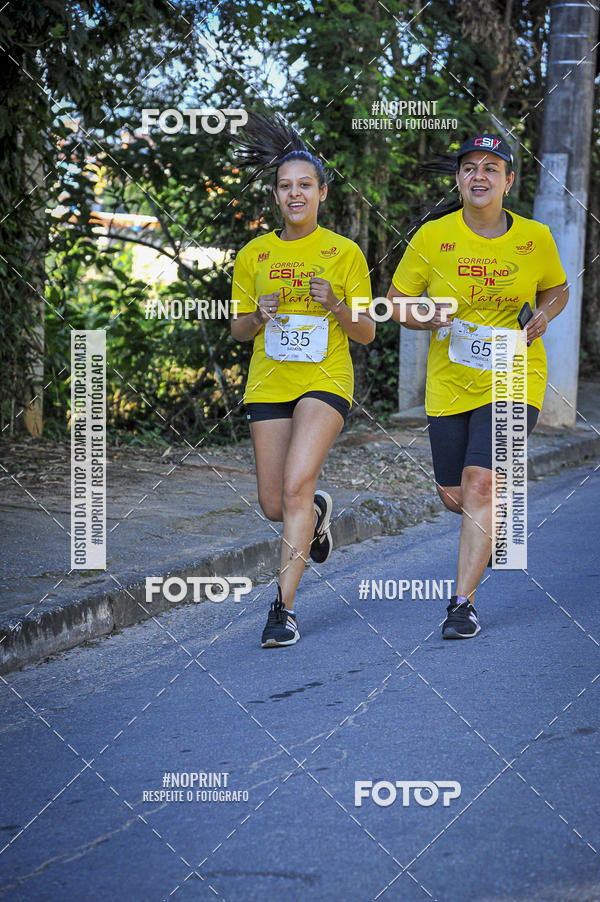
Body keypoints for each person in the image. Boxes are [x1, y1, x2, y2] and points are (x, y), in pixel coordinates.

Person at [387, 134, 568, 639]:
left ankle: (461, 603)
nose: (480, 176)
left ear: (509, 181)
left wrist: (545, 316)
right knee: (455, 494)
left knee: (482, 483)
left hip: (516, 375)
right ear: (460, 180)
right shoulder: (433, 238)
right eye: (470, 168)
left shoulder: (536, 238)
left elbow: (557, 289)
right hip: (451, 382)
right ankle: (491, 518)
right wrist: (427, 314)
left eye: (492, 168)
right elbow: (396, 302)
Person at [230, 112, 375, 647]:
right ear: (275, 196)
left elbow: (365, 334)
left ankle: (282, 610)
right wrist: (258, 315)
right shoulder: (254, 255)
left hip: (325, 380)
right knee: (276, 503)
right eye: (286, 187)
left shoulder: (344, 253)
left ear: (322, 192)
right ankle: (316, 514)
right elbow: (238, 330)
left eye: (305, 185)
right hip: (268, 384)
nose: (296, 194)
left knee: (294, 485)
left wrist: (336, 303)